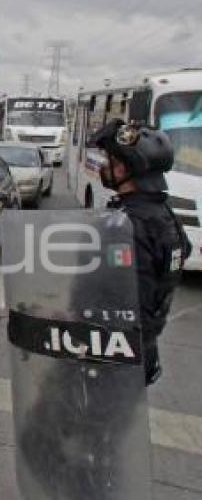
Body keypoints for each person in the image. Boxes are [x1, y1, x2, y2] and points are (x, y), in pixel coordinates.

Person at [91, 119, 191, 384]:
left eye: (109, 160)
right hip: (142, 349)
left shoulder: (127, 225)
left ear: (125, 168)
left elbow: (119, 297)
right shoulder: (164, 214)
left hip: (111, 355)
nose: (103, 166)